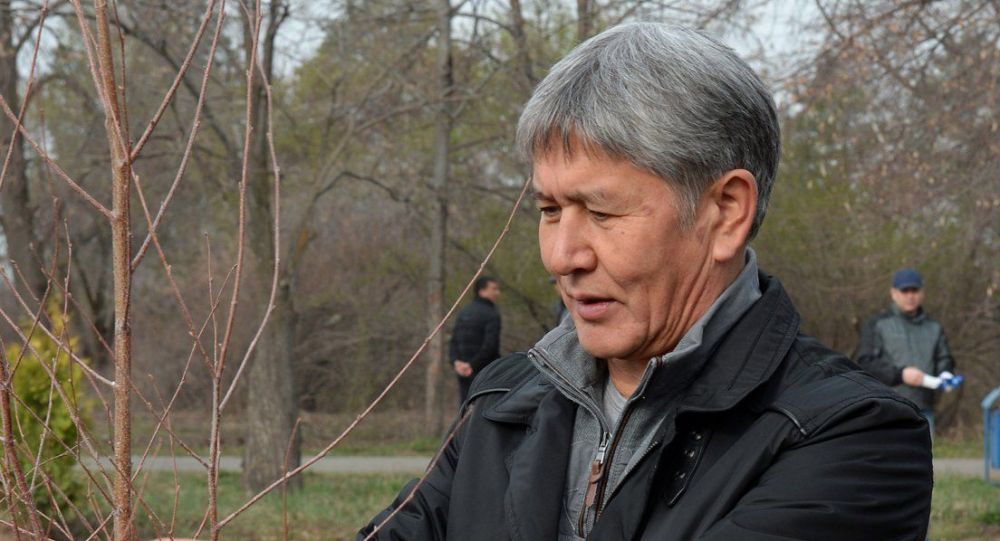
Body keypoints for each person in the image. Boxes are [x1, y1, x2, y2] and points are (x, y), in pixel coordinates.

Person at [360, 23, 931, 540]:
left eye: (601, 212)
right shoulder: (501, 403)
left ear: (726, 212)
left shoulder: (851, 436)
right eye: (550, 210)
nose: (561, 257)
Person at [855, 267, 955, 435]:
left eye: (914, 290)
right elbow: (865, 363)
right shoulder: (877, 324)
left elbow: (944, 358)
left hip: (923, 410)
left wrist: (945, 374)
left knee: (923, 453)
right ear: (893, 293)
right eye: (905, 291)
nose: (910, 296)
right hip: (886, 409)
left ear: (922, 293)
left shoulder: (934, 327)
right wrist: (900, 375)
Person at [448, 276, 501, 404]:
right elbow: (490, 346)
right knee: (483, 407)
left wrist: (456, 362)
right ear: (481, 291)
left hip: (463, 371)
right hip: (485, 372)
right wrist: (472, 365)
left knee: (465, 407)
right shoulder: (492, 314)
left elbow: (453, 342)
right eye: (494, 289)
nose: (498, 293)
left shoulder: (463, 312)